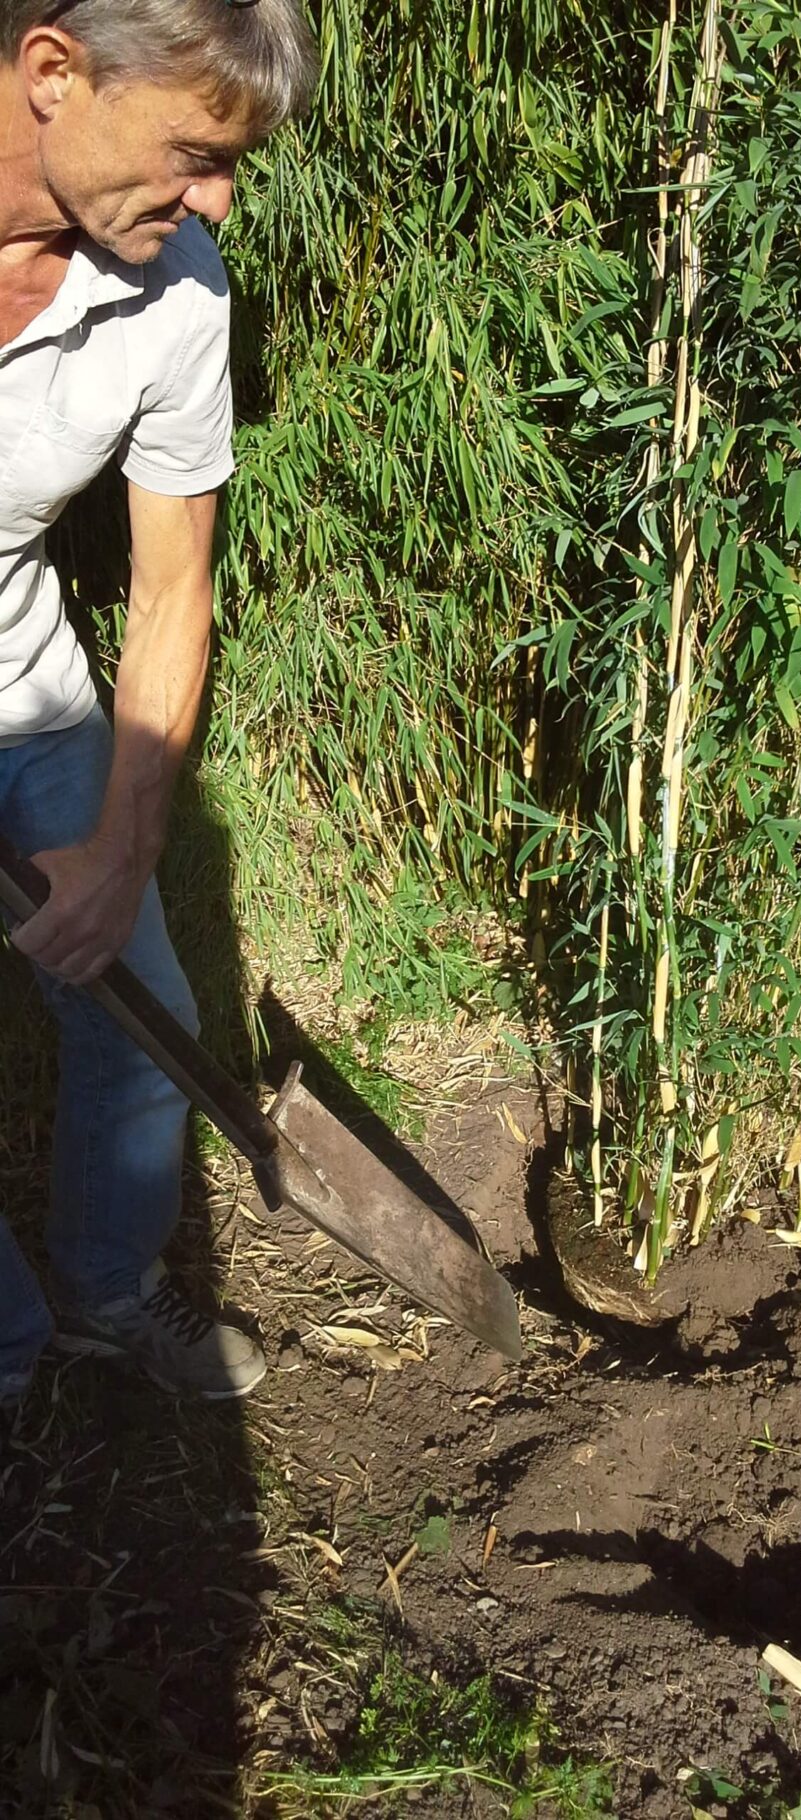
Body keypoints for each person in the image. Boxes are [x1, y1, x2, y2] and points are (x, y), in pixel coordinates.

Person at [0, 0, 317, 1417]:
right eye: (197, 153)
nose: (219, 199)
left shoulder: (178, 289)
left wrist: (123, 854)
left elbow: (175, 588)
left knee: (144, 1013)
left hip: (25, 687)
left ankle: (107, 1292)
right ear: (52, 72)